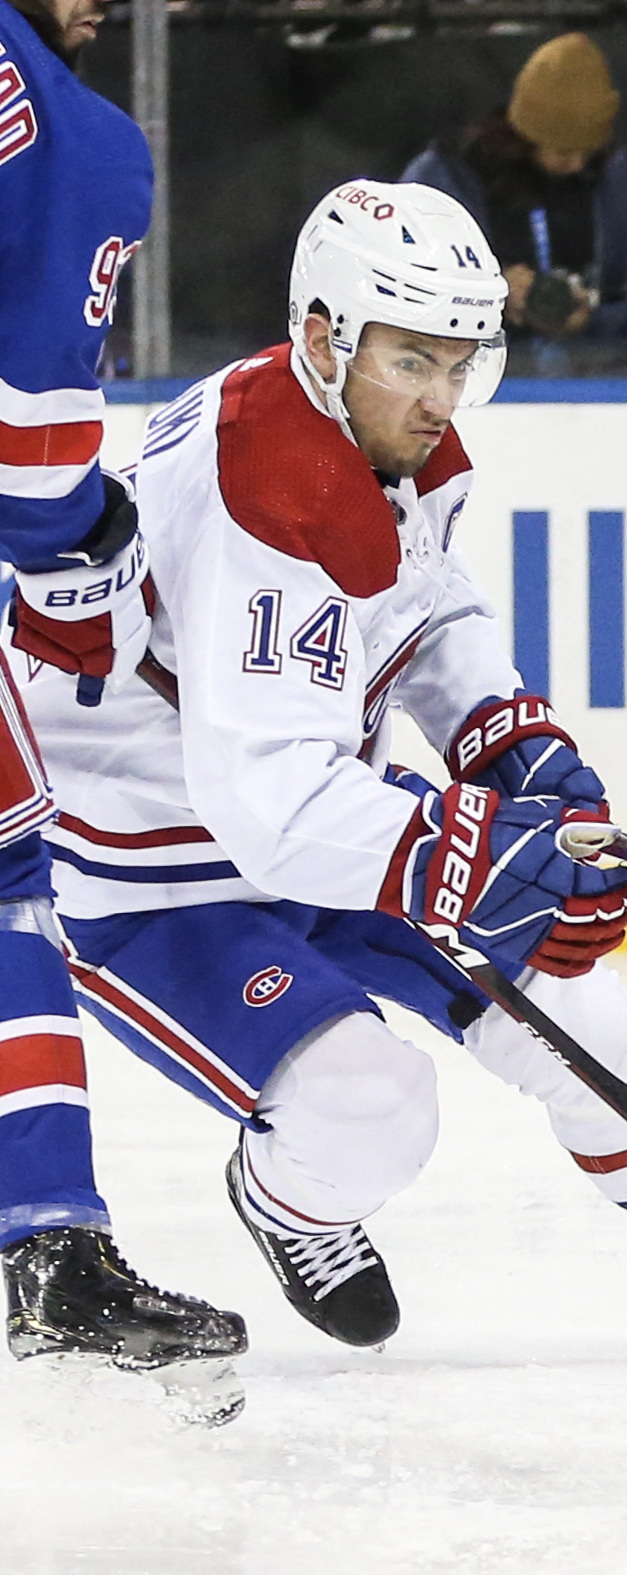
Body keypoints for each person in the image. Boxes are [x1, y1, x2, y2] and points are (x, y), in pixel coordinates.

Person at [15, 180, 627, 1355]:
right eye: (413, 363)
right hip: (161, 881)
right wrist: (472, 856)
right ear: (326, 334)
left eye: (459, 365)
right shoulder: (265, 494)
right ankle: (287, 1203)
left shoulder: (373, 432)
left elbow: (423, 612)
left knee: (581, 1014)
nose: (441, 401)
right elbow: (263, 801)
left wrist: (512, 741)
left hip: (324, 826)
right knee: (370, 1110)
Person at [0, 0, 250, 1417]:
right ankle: (50, 1252)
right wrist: (91, 537)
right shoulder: (77, 135)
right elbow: (35, 478)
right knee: (3, 889)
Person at [402, 33, 627, 374]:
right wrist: (487, 291)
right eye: (564, 151)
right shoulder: (449, 176)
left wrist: (595, 310)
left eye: (588, 150)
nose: (578, 164)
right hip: (472, 373)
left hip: (605, 372)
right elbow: (403, 284)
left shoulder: (622, 181)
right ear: (526, 134)